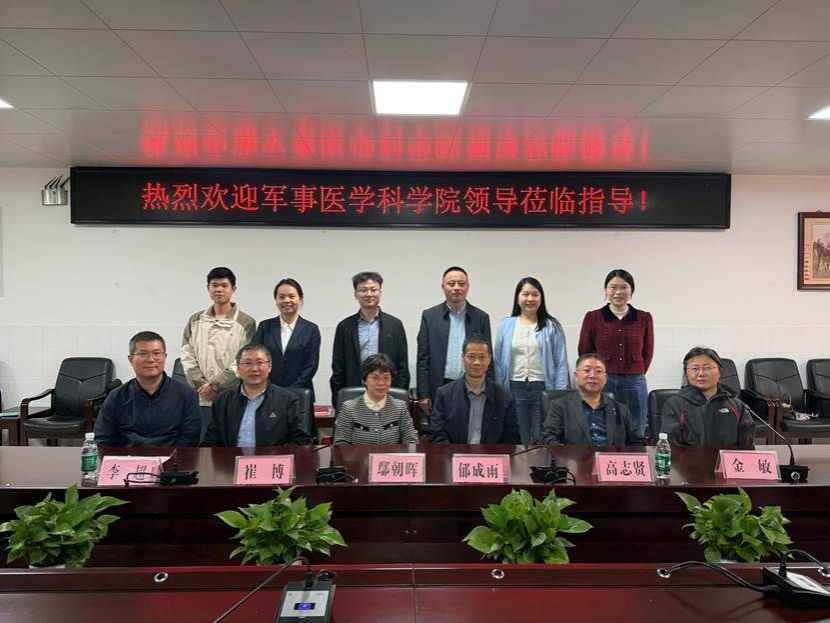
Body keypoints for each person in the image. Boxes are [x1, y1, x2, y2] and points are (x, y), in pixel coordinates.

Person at [181, 267, 256, 439]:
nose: (219, 290)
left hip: (233, 396)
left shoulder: (246, 322)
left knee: (231, 443)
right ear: (208, 288)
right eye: (214, 285)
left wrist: (216, 386)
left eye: (224, 285)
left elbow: (244, 360)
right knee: (203, 443)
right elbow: (187, 355)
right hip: (200, 396)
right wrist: (202, 385)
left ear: (233, 289)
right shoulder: (195, 320)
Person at [578, 269, 653, 438]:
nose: (618, 292)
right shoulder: (593, 317)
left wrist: (636, 370)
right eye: (613, 287)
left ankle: (634, 453)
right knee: (603, 424)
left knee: (636, 425)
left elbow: (647, 351)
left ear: (631, 290)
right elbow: (585, 351)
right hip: (603, 379)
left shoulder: (644, 317)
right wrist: (594, 374)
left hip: (634, 380)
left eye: (624, 287)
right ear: (605, 290)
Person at [494, 276, 568, 444]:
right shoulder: (506, 325)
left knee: (542, 436)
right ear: (517, 298)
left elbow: (561, 362)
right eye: (525, 294)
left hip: (542, 388)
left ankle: (540, 462)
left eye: (535, 294)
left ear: (541, 299)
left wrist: (558, 393)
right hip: (514, 387)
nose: (530, 299)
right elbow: (497, 361)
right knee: (518, 435)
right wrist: (500, 390)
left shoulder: (552, 326)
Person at [95, 331, 201, 447]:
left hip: (172, 457)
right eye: (143, 354)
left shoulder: (186, 394)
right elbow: (103, 438)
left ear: (165, 357)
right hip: (127, 456)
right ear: (131, 359)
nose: (151, 359)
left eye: (157, 353)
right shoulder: (116, 396)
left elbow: (190, 438)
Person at [203, 344, 311, 447]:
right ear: (238, 368)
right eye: (247, 363)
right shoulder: (222, 401)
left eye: (260, 362)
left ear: (269, 367)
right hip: (231, 459)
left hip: (272, 459)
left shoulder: (289, 400)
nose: (254, 369)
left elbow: (300, 441)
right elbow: (211, 441)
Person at [416, 266, 491, 415]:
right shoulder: (429, 316)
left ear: (468, 287)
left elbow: (488, 358)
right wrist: (423, 393)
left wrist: (490, 388)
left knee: (472, 427)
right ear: (443, 287)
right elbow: (423, 358)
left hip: (473, 385)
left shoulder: (481, 317)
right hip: (439, 386)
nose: (456, 288)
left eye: (461, 284)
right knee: (439, 427)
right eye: (451, 284)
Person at [330, 271, 409, 406]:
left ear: (380, 292)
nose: (369, 294)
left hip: (387, 393)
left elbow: (402, 367)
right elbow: (338, 367)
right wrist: (338, 399)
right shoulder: (344, 327)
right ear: (356, 294)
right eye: (363, 290)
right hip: (354, 392)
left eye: (373, 290)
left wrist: (399, 397)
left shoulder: (395, 325)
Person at [253, 278, 321, 434]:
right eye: (281, 297)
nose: (287, 300)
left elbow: (311, 365)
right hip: (267, 394)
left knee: (299, 439)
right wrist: (270, 389)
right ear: (276, 300)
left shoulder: (311, 329)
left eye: (291, 296)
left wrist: (290, 392)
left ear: (300, 298)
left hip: (300, 395)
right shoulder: (265, 327)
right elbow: (257, 360)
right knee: (269, 438)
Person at [428, 334, 519, 444]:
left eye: (482, 357)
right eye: (471, 357)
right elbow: (437, 435)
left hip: (491, 454)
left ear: (489, 359)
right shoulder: (444, 394)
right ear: (463, 358)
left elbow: (511, 439)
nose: (477, 362)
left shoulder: (505, 397)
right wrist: (454, 454)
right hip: (453, 453)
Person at [660, 347, 754, 448]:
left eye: (707, 368)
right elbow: (670, 446)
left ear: (720, 371)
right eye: (695, 369)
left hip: (726, 458)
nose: (701, 374)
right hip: (688, 458)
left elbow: (746, 447)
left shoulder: (736, 405)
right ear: (686, 373)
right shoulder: (675, 404)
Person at [541, 353, 643, 446]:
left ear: (605, 378)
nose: (593, 375)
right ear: (576, 376)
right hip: (575, 459)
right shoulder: (560, 406)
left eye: (598, 371)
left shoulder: (621, 409)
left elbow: (636, 441)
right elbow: (550, 437)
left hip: (611, 459)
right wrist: (567, 456)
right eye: (587, 370)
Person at [333, 353, 418, 444]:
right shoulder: (349, 408)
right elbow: (340, 443)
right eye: (375, 378)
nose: (381, 383)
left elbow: (411, 440)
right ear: (364, 380)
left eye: (386, 378)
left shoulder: (400, 407)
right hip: (358, 454)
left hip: (392, 454)